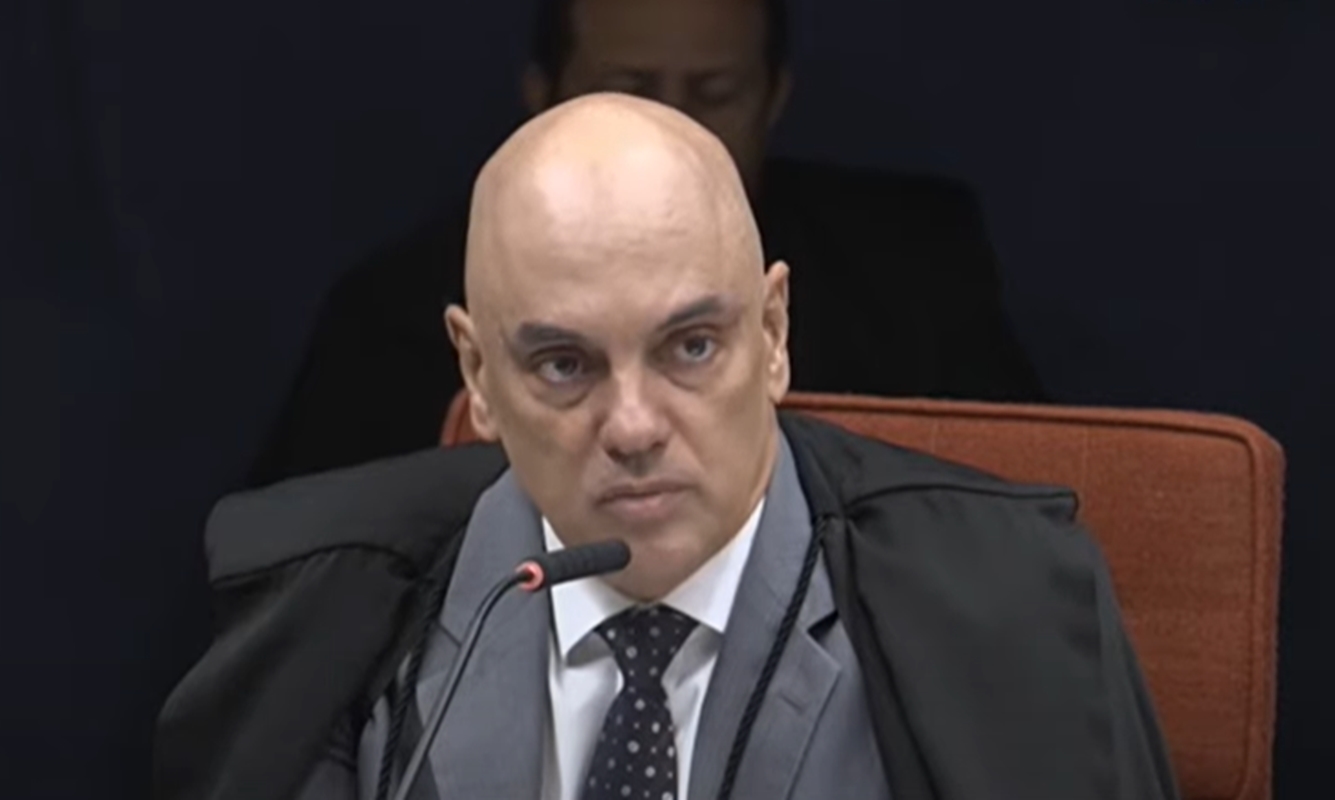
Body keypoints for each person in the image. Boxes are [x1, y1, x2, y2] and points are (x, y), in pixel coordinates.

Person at [155, 94, 1177, 800]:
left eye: (691, 347)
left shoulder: (1009, 604)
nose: (635, 426)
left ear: (773, 333)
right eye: (564, 364)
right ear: (478, 374)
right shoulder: (324, 618)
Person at [246, 0, 1044, 488]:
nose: (670, 126)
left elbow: (1018, 522)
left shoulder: (911, 272)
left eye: (713, 93)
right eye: (627, 89)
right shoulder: (398, 312)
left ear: (772, 328)